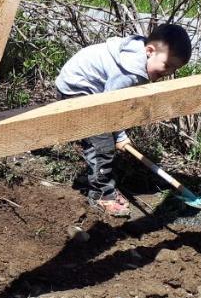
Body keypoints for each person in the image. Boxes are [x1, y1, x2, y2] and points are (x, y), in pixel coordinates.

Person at [54, 23, 192, 218]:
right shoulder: (129, 72)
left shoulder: (138, 55)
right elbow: (110, 107)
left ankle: (99, 176)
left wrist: (119, 132)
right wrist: (119, 135)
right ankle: (102, 193)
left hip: (91, 91)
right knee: (103, 145)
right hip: (76, 92)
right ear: (149, 51)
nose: (168, 73)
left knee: (102, 140)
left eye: (174, 69)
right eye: (167, 65)